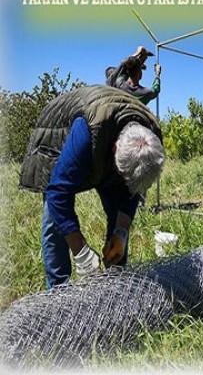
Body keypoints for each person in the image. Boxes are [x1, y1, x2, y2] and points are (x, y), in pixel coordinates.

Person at [19, 85, 165, 289]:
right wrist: (82, 252)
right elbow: (58, 194)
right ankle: (58, 288)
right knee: (54, 219)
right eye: (122, 173)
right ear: (115, 150)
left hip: (107, 141)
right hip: (56, 133)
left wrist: (121, 231)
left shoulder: (151, 139)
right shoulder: (86, 133)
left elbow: (132, 190)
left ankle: (115, 280)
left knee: (120, 207)